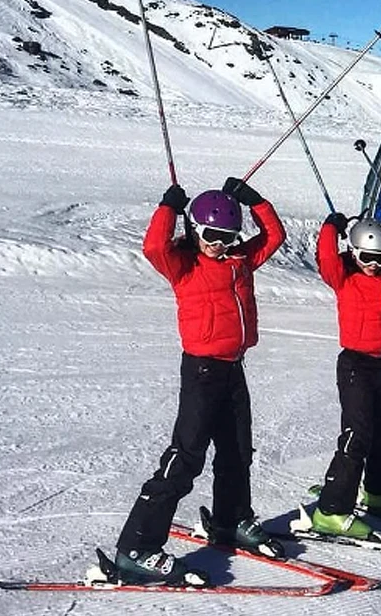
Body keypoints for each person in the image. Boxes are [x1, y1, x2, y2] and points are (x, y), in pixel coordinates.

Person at [112, 176, 287, 586]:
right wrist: (168, 209)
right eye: (211, 235)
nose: (219, 244)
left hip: (233, 368)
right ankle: (136, 547)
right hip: (202, 372)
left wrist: (256, 200)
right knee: (186, 457)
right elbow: (154, 247)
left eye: (228, 237)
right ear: (195, 229)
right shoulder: (184, 264)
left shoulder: (240, 262)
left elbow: (273, 236)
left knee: (237, 451)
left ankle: (230, 520)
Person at [305, 194, 381, 544]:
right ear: (354, 253)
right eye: (367, 257)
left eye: (380, 258)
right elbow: (326, 259)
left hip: (380, 364)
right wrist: (331, 229)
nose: (373, 264)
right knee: (358, 435)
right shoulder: (344, 277)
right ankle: (331, 510)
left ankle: (379, 491)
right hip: (354, 364)